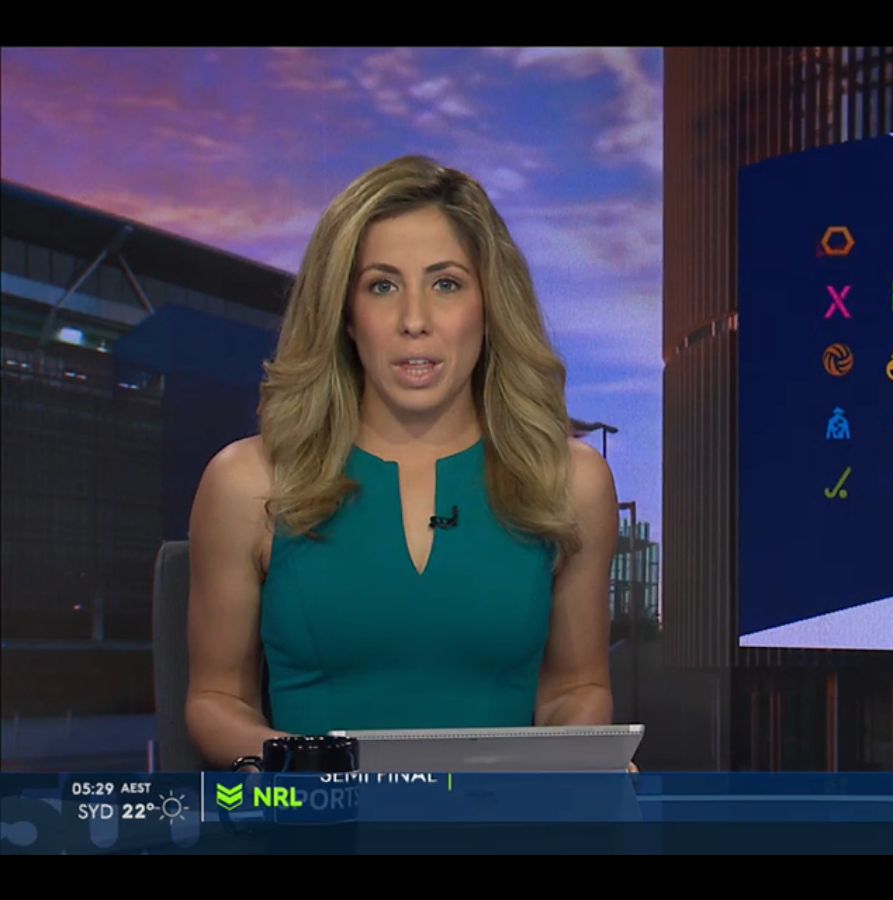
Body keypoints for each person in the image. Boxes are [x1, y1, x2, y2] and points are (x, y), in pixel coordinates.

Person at [184, 155, 619, 770]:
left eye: (446, 284)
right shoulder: (247, 482)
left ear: (490, 304)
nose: (414, 321)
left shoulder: (570, 483)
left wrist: (570, 759)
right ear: (344, 313)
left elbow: (576, 688)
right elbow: (216, 699)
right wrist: (313, 773)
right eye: (382, 286)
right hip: (322, 814)